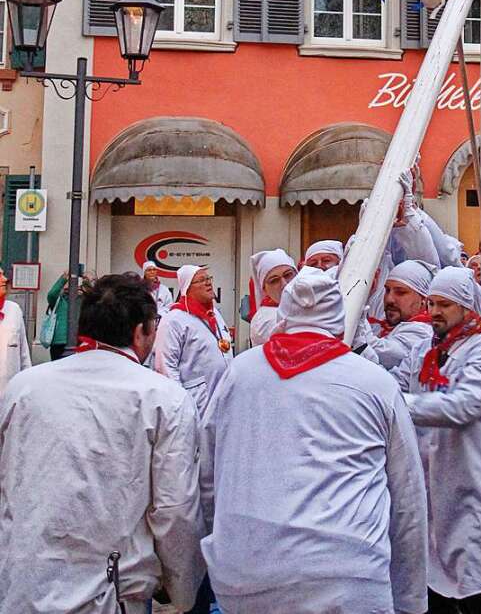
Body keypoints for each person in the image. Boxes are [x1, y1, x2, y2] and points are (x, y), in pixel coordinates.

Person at [200, 268, 428, 614]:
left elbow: (207, 475)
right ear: (340, 325)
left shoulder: (239, 372)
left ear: (284, 318)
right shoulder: (375, 382)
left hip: (248, 576)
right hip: (348, 578)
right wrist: (411, 601)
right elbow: (408, 499)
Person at [0, 274, 205, 613]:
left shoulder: (24, 388)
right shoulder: (164, 398)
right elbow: (175, 510)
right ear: (141, 331)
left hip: (25, 585)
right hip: (111, 594)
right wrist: (182, 589)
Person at [393, 266, 481, 612]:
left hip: (473, 488)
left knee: (476, 591)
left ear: (466, 307)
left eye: (444, 304)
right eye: (430, 303)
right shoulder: (424, 351)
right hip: (431, 491)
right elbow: (394, 381)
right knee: (434, 591)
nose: (433, 312)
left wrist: (398, 404)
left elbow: (463, 406)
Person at [155, 264, 233, 419]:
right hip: (195, 404)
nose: (208, 283)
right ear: (187, 288)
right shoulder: (173, 320)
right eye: (201, 280)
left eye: (209, 278)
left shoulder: (215, 313)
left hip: (223, 399)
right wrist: (182, 406)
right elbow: (165, 366)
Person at [357, 259, 435, 369]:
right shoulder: (392, 325)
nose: (389, 299)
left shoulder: (422, 332)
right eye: (387, 290)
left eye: (401, 292)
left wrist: (358, 301)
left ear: (425, 300)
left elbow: (378, 353)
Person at [248, 249, 298, 345]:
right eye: (274, 280)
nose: (284, 284)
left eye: (288, 275)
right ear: (264, 289)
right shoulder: (265, 320)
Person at [0, 268, 31, 394]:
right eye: (0, 275)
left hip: (9, 395)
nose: (5, 279)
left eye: (3, 274)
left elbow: (24, 355)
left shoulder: (14, 310)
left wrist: (27, 387)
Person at [45, 271, 84, 360]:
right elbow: (52, 293)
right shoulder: (58, 300)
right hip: (59, 341)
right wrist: (63, 278)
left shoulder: (83, 300)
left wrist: (88, 281)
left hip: (78, 340)